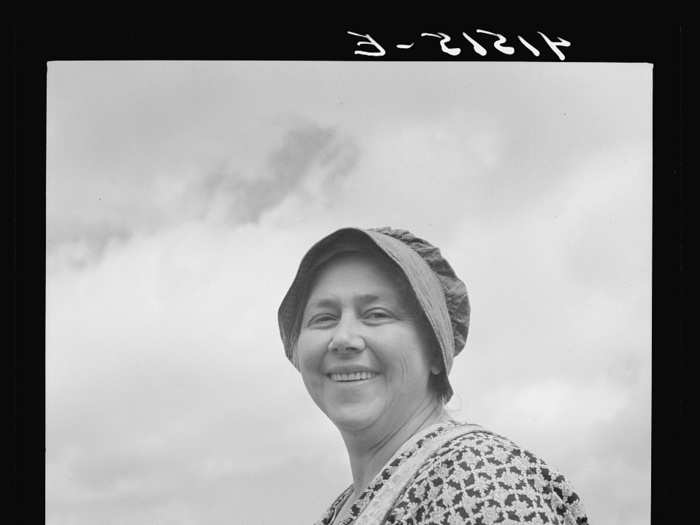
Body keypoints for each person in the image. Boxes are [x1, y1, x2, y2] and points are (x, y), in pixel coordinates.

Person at [278, 227, 589, 524]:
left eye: (376, 315)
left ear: (435, 353)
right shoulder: (348, 507)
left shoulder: (480, 480)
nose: (343, 338)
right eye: (324, 318)